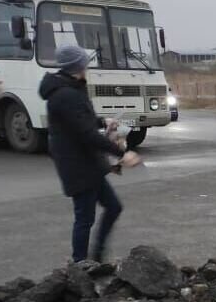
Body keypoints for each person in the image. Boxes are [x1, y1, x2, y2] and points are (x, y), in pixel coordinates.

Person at [40, 44, 141, 263]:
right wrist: (121, 153)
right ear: (78, 65)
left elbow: (78, 121)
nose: (88, 66)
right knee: (85, 218)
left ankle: (95, 257)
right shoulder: (66, 94)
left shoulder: (69, 87)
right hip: (77, 165)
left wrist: (103, 121)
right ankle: (80, 266)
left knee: (113, 207)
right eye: (85, 62)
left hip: (87, 163)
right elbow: (86, 134)